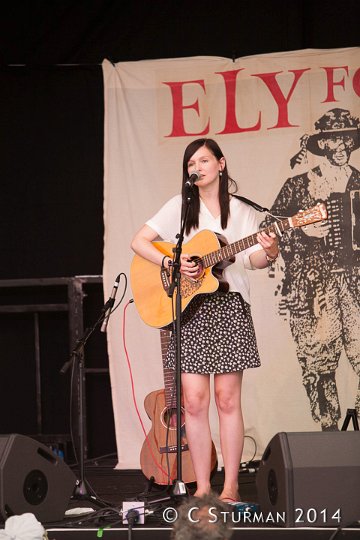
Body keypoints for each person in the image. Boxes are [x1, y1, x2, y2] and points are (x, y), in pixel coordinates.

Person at [131, 138, 279, 501]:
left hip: (228, 307)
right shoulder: (180, 207)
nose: (195, 167)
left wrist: (270, 250)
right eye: (190, 163)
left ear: (221, 164)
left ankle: (229, 486)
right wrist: (171, 262)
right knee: (194, 402)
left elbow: (253, 261)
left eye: (203, 160)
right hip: (189, 310)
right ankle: (202, 487)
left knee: (227, 400)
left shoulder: (243, 211)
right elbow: (140, 242)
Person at [266, 108, 360, 431]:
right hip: (315, 287)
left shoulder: (359, 181)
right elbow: (270, 227)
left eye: (346, 138)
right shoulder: (299, 185)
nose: (340, 146)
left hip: (355, 284)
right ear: (324, 144)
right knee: (320, 362)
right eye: (334, 139)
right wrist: (302, 233)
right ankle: (329, 433)